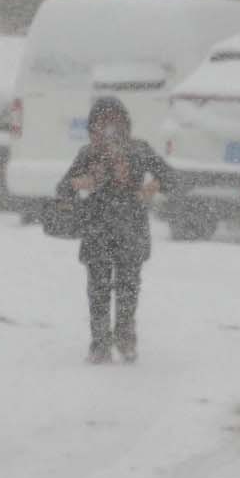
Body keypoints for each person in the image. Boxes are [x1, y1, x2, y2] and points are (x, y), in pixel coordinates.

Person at [57, 97, 174, 364]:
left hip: (131, 229)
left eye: (115, 122)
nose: (109, 129)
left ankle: (125, 337)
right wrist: (79, 183)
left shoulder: (139, 150)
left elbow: (170, 177)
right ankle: (100, 343)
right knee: (97, 288)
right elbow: (63, 189)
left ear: (125, 124)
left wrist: (151, 186)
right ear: (92, 128)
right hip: (97, 230)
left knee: (127, 288)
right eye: (102, 123)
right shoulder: (87, 154)